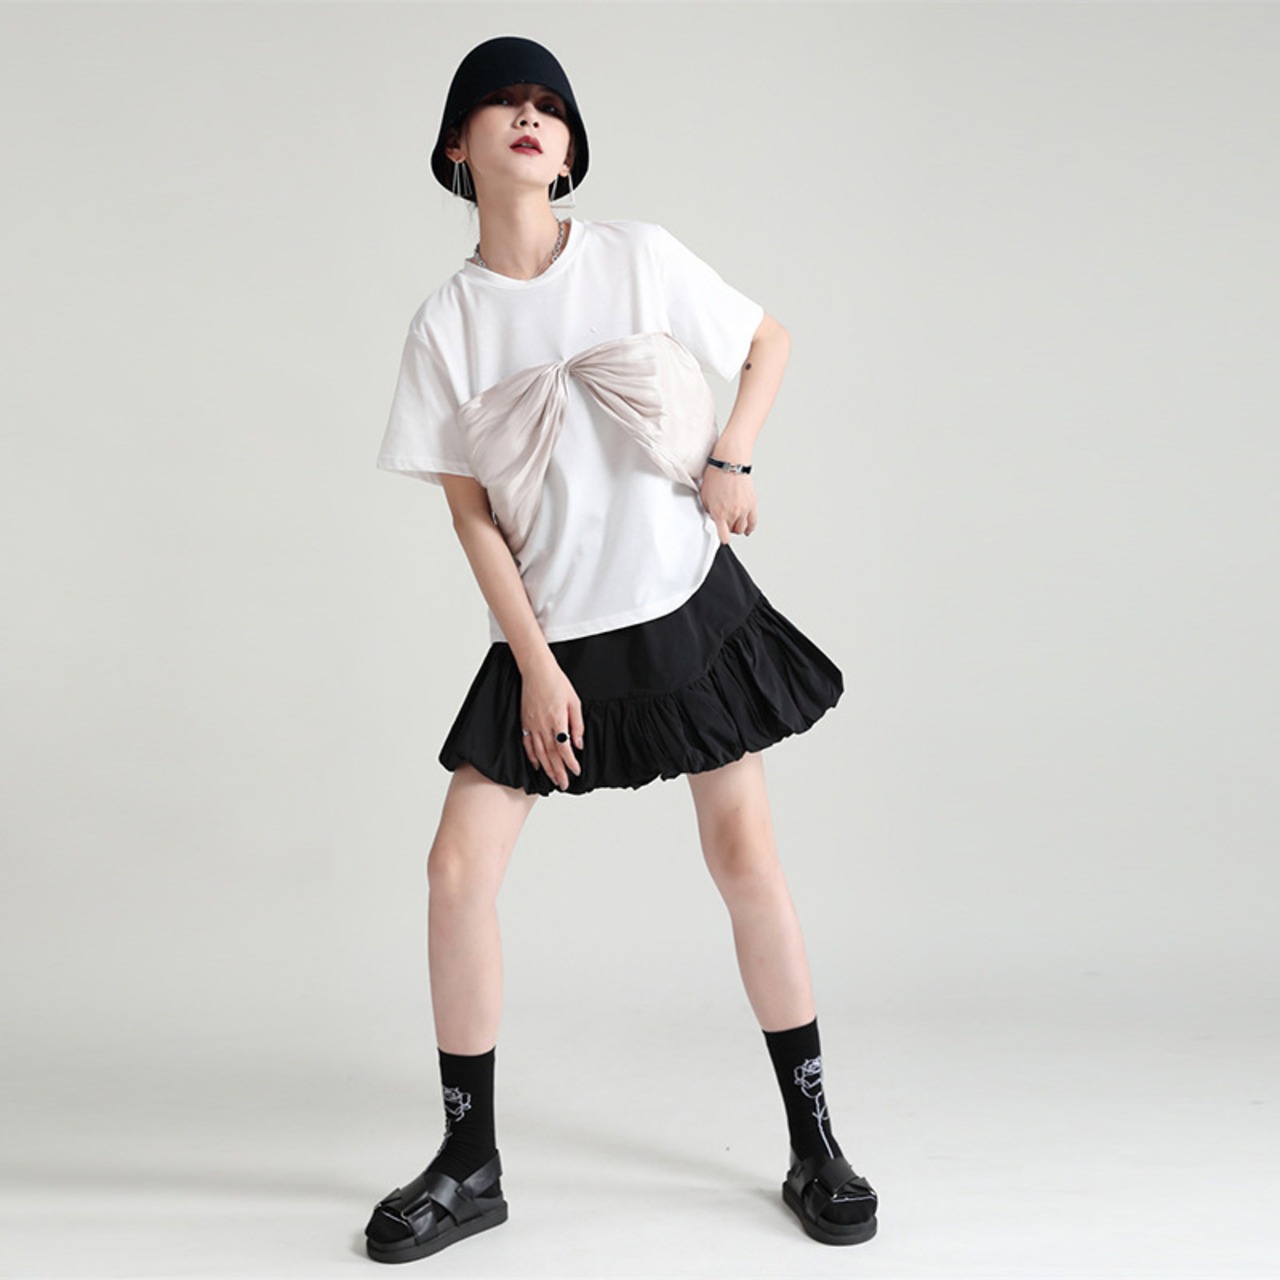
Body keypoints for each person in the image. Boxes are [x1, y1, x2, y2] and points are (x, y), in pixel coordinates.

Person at [363, 35, 878, 1264]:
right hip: (551, 633)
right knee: (454, 872)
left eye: (547, 106)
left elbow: (767, 341)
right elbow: (471, 515)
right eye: (502, 103)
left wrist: (732, 453)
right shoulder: (446, 325)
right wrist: (534, 663)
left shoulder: (633, 256)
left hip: (683, 602)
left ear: (568, 149)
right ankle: (469, 1162)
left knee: (744, 855)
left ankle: (813, 1140)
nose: (528, 118)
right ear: (456, 145)